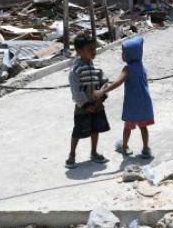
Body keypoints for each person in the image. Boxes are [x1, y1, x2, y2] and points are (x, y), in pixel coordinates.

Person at [94, 36, 154, 159]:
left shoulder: (127, 68)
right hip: (144, 102)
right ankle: (146, 149)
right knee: (143, 127)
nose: (122, 55)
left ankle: (124, 147)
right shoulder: (141, 66)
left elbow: (117, 83)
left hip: (132, 103)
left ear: (129, 54)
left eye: (123, 52)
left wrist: (102, 91)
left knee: (127, 127)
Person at [66, 33, 110, 169]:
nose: (93, 52)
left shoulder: (96, 68)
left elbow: (104, 83)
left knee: (95, 129)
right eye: (90, 49)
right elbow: (75, 90)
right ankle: (72, 155)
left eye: (94, 48)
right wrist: (85, 104)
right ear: (79, 51)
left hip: (97, 105)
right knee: (78, 130)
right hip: (82, 106)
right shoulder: (75, 70)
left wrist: (101, 97)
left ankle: (94, 152)